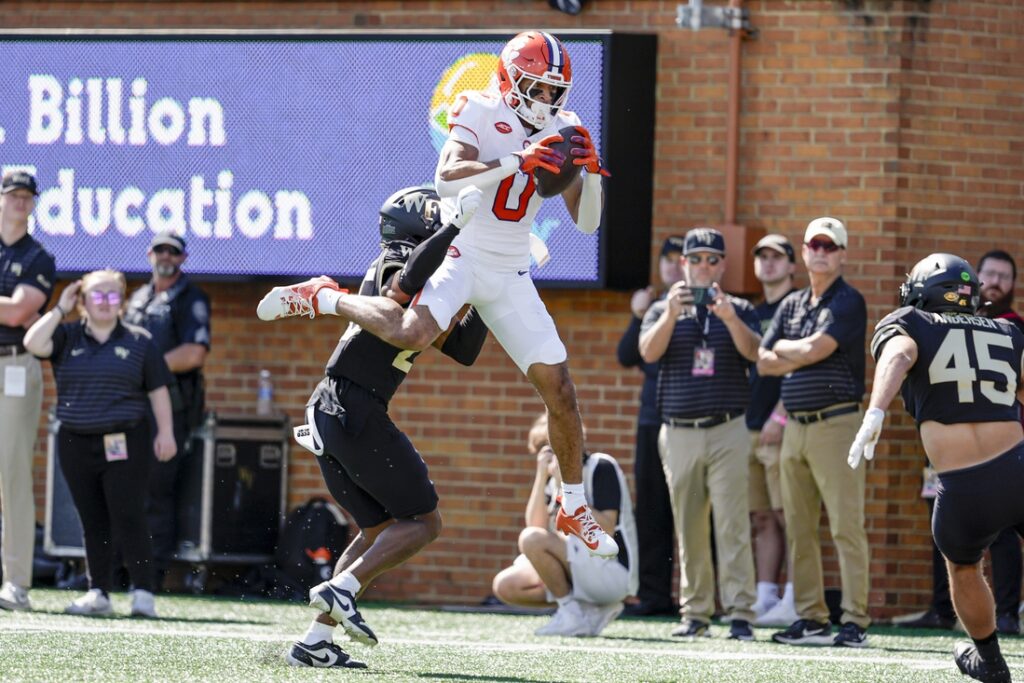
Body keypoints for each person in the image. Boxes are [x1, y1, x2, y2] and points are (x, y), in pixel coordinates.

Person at [257, 30, 617, 561]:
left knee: (560, 390)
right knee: (411, 332)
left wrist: (590, 175)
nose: (545, 99)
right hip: (462, 253)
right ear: (509, 80)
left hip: (512, 271)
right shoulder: (478, 107)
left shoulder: (566, 126)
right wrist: (518, 160)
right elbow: (446, 178)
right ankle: (322, 296)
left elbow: (587, 223)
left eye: (553, 91)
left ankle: (573, 503)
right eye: (535, 87)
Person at [277, 186, 487, 669]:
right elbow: (404, 283)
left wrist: (488, 284)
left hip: (337, 408)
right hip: (352, 404)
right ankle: (343, 588)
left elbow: (463, 349)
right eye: (435, 214)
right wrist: (454, 228)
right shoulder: (397, 259)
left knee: (379, 530)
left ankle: (315, 641)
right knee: (425, 523)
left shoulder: (419, 274)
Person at [848, 253, 1022, 682]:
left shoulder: (912, 321)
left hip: (964, 484)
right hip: (1018, 464)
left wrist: (875, 411)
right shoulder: (1007, 330)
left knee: (963, 566)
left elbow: (900, 354)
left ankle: (991, 662)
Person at [23, 269, 176, 618]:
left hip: (125, 440)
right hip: (75, 440)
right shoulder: (66, 336)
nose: (105, 302)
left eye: (112, 295)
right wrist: (59, 309)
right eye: (97, 295)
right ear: (83, 302)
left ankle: (143, 592)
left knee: (129, 514)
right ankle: (99, 592)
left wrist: (166, 432)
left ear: (122, 301)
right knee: (93, 519)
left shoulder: (139, 340)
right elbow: (33, 343)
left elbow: (158, 390)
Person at [639, 227, 761, 641]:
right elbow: (648, 353)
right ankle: (696, 613)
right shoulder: (663, 307)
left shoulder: (740, 308)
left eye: (712, 260)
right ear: (683, 264)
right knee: (689, 527)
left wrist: (728, 318)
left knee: (732, 524)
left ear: (722, 265)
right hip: (679, 432)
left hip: (728, 428)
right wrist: (671, 314)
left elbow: (755, 353)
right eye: (696, 259)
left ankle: (741, 613)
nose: (704, 267)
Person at [757, 217, 870, 648]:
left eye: (829, 245)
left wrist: (789, 349)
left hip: (837, 424)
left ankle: (855, 621)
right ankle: (812, 618)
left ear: (842, 254)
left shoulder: (849, 301)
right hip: (796, 427)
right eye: (814, 245)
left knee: (845, 526)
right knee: (798, 527)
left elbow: (815, 349)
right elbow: (763, 361)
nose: (821, 252)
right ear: (804, 252)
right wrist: (796, 353)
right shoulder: (791, 304)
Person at [901, 249, 1024, 634]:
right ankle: (943, 607)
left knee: (1000, 535)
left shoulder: (1010, 327)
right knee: (946, 530)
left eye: (1005, 276)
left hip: (1001, 448)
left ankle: (1006, 611)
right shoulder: (935, 325)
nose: (997, 282)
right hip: (947, 446)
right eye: (991, 274)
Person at [492, 413, 638, 636]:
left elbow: (606, 529)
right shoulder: (551, 478)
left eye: (553, 447)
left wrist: (565, 486)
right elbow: (535, 527)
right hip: (578, 566)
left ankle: (572, 614)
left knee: (532, 539)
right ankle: (582, 611)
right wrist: (542, 476)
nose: (552, 456)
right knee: (506, 585)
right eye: (545, 450)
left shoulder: (601, 466)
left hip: (612, 570)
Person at [124, 232, 211, 582]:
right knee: (124, 487)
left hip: (170, 411)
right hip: (129, 407)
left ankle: (152, 574)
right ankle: (119, 570)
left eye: (173, 252)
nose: (166, 257)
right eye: (160, 250)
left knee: (157, 488)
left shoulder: (192, 298)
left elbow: (195, 353)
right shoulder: (137, 298)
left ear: (183, 258)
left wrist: (147, 369)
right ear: (149, 254)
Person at [615, 235, 684, 617]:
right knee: (652, 511)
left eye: (679, 258)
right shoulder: (652, 309)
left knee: (692, 512)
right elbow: (626, 355)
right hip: (651, 421)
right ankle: (654, 594)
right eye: (667, 259)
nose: (673, 265)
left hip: (688, 421)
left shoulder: (702, 306)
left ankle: (700, 599)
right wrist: (637, 314)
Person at [0, 171, 55, 612]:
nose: (20, 202)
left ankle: (15, 582)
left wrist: (10, 307)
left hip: (14, 364)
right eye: (13, 194)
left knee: (13, 474)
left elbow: (18, 313)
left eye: (27, 196)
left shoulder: (38, 257)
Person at [745, 234, 799, 626]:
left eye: (777, 257)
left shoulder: (798, 308)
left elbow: (801, 368)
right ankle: (766, 597)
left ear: (792, 265)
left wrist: (779, 417)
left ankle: (796, 598)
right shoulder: (751, 312)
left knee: (788, 515)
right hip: (748, 427)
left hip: (782, 427)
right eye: (762, 256)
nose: (768, 262)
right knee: (761, 517)